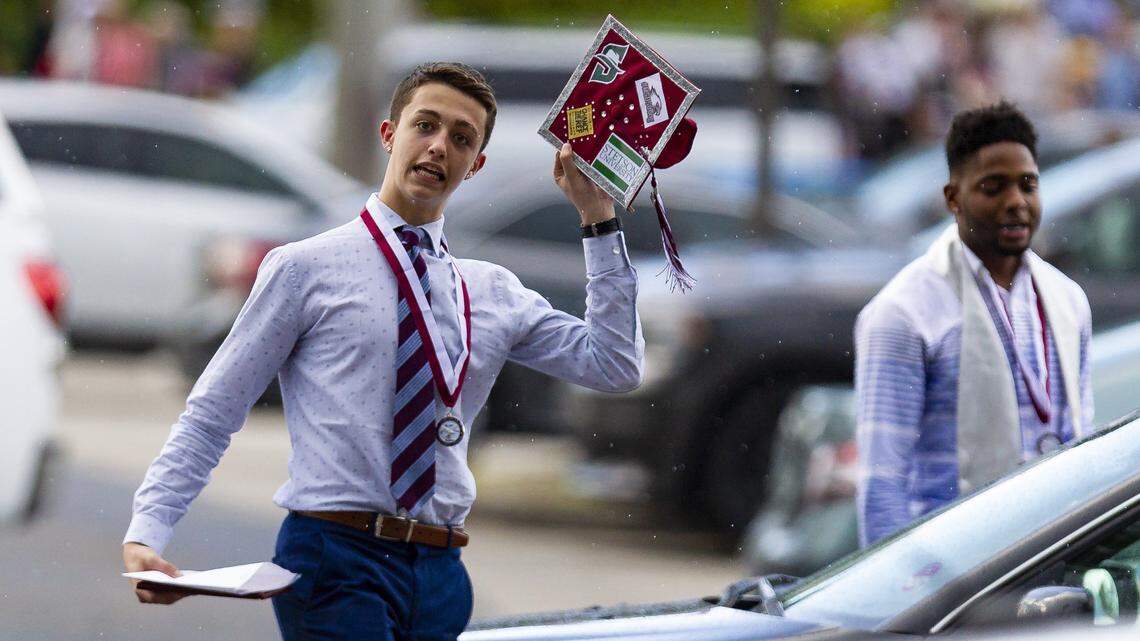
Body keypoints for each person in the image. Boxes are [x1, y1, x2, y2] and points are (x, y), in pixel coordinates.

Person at [122, 62, 644, 640]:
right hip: (335, 556)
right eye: (426, 125)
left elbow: (614, 366)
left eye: (462, 138)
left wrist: (598, 222)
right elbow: (214, 410)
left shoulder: (491, 291)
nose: (440, 146)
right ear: (390, 134)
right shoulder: (306, 268)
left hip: (442, 570)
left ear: (476, 165)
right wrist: (148, 530)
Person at [854, 101, 1093, 546]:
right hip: (952, 574)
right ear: (953, 199)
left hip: (1048, 561)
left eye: (1028, 185)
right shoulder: (904, 313)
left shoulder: (1067, 301)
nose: (1016, 202)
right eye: (993, 187)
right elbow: (883, 481)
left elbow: (1079, 445)